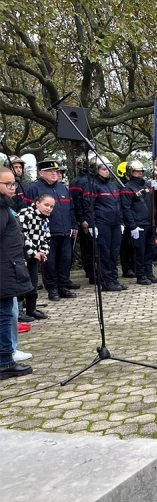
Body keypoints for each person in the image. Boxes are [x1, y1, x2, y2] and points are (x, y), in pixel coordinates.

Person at [24, 159, 78, 301]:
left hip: (65, 231)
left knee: (65, 260)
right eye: (50, 171)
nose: (54, 173)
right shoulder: (34, 189)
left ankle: (63, 286)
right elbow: (27, 211)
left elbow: (70, 209)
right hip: (45, 233)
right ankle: (52, 289)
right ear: (41, 173)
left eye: (55, 171)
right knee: (49, 262)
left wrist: (73, 225)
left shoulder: (62, 188)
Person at [0, 166, 34, 380]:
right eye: (7, 184)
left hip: (8, 266)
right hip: (4, 269)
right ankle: (4, 361)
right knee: (5, 315)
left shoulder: (5, 206)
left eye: (13, 183)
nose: (13, 188)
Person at [82, 156, 127, 291]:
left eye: (108, 168)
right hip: (102, 224)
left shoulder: (113, 185)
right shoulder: (91, 185)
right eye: (104, 168)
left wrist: (120, 222)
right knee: (104, 253)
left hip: (115, 224)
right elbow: (88, 205)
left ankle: (113, 279)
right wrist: (91, 225)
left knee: (114, 253)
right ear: (96, 170)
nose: (107, 171)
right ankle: (106, 281)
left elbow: (118, 205)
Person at [121, 160, 157, 285]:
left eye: (141, 171)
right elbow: (126, 208)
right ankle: (141, 274)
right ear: (130, 172)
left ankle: (149, 273)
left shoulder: (147, 186)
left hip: (150, 223)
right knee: (139, 251)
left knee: (150, 250)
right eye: (137, 171)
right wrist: (132, 226)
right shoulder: (127, 188)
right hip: (138, 225)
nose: (140, 173)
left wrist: (156, 190)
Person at [17, 193, 54, 321]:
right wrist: (33, 253)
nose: (49, 208)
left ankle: (31, 309)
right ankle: (18, 311)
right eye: (46, 205)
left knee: (33, 282)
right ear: (37, 203)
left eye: (51, 206)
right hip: (22, 254)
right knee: (21, 281)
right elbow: (22, 235)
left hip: (35, 255)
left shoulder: (45, 218)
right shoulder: (25, 213)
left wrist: (43, 252)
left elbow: (46, 237)